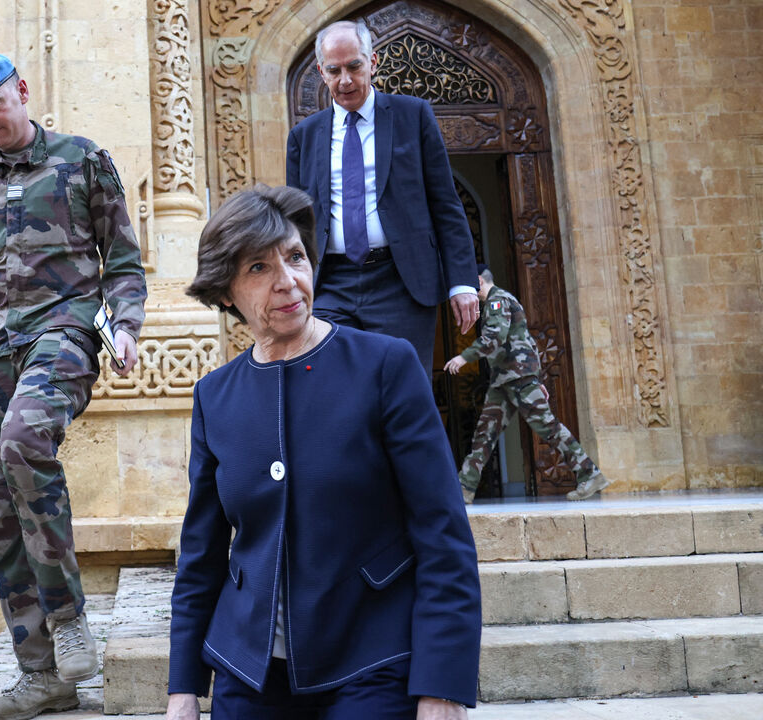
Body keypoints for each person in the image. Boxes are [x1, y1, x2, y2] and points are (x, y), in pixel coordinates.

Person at [167, 186, 481, 720]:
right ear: (226, 293)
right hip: (250, 666)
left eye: (295, 257)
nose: (287, 281)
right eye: (259, 268)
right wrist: (183, 690)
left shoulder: (384, 366)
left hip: (372, 656)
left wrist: (442, 684)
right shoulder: (215, 397)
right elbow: (201, 554)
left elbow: (443, 532)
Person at [0, 54, 147, 720]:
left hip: (64, 334)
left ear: (22, 92)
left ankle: (69, 616)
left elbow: (125, 263)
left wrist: (126, 325)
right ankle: (42, 673)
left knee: (25, 441)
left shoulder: (83, 162)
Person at [286, 19, 479, 372]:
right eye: (334, 70)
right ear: (321, 71)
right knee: (338, 394)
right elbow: (295, 226)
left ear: (373, 62)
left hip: (401, 283)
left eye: (354, 67)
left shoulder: (413, 116)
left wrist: (462, 282)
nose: (345, 80)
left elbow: (446, 205)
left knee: (402, 396)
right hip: (331, 285)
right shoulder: (304, 136)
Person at [445, 265, 609, 503]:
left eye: (471, 287)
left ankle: (589, 474)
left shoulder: (497, 301)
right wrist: (538, 379)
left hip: (516, 376)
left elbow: (495, 338)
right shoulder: (502, 300)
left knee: (547, 426)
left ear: (479, 281)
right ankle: (464, 488)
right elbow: (529, 341)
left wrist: (464, 357)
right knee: (484, 434)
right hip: (505, 379)